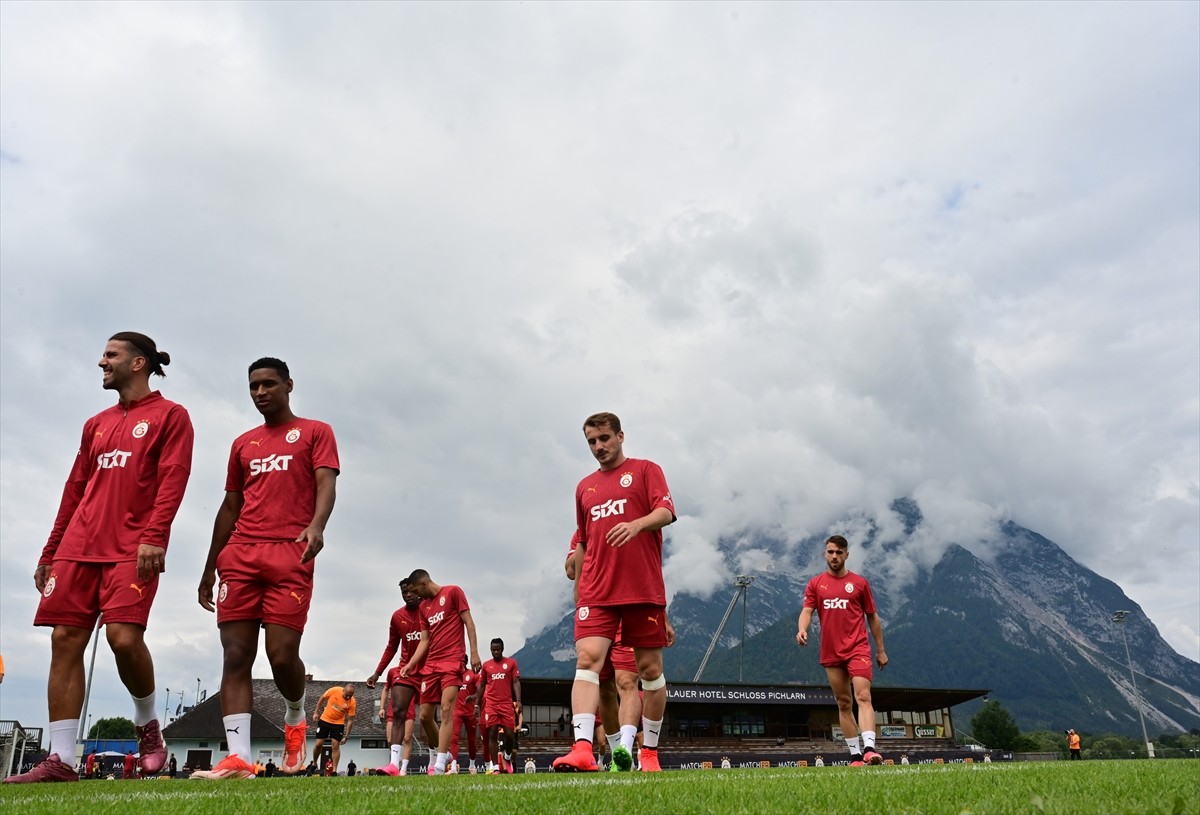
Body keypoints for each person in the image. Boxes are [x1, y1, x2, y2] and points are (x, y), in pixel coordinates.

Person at [5, 333, 193, 785]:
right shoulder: (95, 423)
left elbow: (173, 478)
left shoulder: (172, 416)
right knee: (65, 640)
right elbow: (75, 489)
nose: (100, 362)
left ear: (138, 363)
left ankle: (148, 724)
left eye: (110, 355)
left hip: (133, 547)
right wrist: (51, 551)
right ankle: (61, 759)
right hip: (78, 547)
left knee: (123, 640)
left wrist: (155, 535)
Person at [194, 357, 340, 780]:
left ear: (289, 385)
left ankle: (295, 715)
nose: (260, 392)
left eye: (269, 384)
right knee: (236, 654)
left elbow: (326, 483)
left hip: (290, 552)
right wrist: (209, 568)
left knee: (280, 655)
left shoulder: (315, 431)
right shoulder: (243, 443)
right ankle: (239, 757)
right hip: (239, 555)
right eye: (254, 386)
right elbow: (229, 506)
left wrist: (316, 526)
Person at [553, 412, 676, 774]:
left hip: (641, 589)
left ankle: (648, 753)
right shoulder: (584, 488)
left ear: (620, 436)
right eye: (591, 441)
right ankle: (582, 749)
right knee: (588, 660)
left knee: (649, 670)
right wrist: (578, 589)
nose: (598, 447)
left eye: (604, 439)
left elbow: (666, 511)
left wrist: (636, 524)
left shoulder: (645, 470)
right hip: (597, 590)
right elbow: (584, 541)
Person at [796, 534, 889, 766]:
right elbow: (807, 611)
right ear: (825, 554)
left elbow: (873, 618)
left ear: (847, 555)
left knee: (863, 696)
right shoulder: (816, 584)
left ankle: (869, 748)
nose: (834, 556)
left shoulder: (859, 583)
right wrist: (802, 629)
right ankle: (856, 756)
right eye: (830, 552)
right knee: (844, 702)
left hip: (858, 648)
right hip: (831, 652)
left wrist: (881, 650)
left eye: (839, 552)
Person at [407, 568, 481, 775]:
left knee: (447, 709)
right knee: (424, 716)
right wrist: (411, 663)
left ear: (423, 584)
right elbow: (425, 640)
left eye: (416, 591)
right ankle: (444, 751)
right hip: (431, 664)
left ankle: (440, 762)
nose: (416, 596)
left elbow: (469, 623)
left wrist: (474, 652)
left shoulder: (453, 592)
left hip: (452, 661)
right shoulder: (423, 607)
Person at [367, 577, 431, 777]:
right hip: (406, 670)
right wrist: (377, 672)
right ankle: (394, 764)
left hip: (430, 669)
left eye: (411, 591)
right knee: (398, 713)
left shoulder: (430, 611)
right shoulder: (397, 617)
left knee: (429, 717)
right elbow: (391, 646)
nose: (408, 595)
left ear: (418, 590)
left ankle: (437, 761)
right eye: (404, 593)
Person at [478, 638, 521, 774]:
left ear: (502, 649)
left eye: (497, 649)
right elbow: (482, 685)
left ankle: (507, 757)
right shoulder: (486, 666)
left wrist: (518, 700)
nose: (495, 652)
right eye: (493, 650)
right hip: (491, 704)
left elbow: (515, 682)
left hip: (506, 703)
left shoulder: (511, 663)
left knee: (510, 735)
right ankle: (495, 766)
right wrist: (476, 705)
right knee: (492, 733)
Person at [312, 684, 357, 775]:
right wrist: (316, 712)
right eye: (347, 694)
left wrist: (346, 736)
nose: (348, 697)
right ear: (343, 690)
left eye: (350, 695)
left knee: (335, 745)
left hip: (338, 723)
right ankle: (314, 763)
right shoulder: (334, 690)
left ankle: (334, 771)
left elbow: (350, 721)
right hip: (325, 720)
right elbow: (322, 698)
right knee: (318, 744)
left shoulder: (352, 702)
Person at [448, 654, 480, 774]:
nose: (459, 664)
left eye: (461, 661)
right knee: (454, 738)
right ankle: (453, 766)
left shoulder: (472, 675)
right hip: (457, 712)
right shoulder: (453, 676)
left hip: (470, 712)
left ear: (466, 662)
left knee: (471, 740)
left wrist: (473, 697)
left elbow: (481, 690)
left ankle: (472, 765)